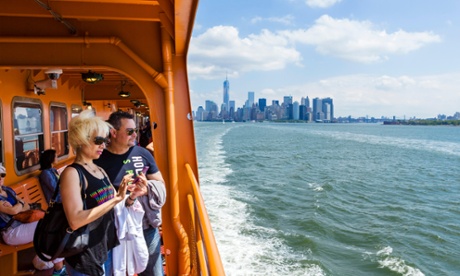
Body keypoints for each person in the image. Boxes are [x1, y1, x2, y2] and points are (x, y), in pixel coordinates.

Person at [59, 109, 136, 276]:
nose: (103, 145)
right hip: (84, 255)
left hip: (104, 249)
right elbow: (75, 220)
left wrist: (131, 196)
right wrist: (116, 199)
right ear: (82, 140)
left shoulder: (99, 169)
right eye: (98, 140)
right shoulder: (72, 174)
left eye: (105, 140)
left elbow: (113, 203)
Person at [95, 111, 166, 276]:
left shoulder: (143, 154)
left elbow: (160, 184)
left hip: (144, 225)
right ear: (113, 133)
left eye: (135, 130)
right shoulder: (98, 159)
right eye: (129, 131)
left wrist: (146, 188)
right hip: (112, 229)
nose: (135, 134)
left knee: (153, 272)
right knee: (115, 271)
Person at [0, 164, 67, 275]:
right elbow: (13, 211)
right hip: (11, 232)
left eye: (2, 175)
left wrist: (17, 205)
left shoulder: (7, 190)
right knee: (49, 229)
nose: (0, 178)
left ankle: (53, 265)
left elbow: (24, 205)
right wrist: (18, 205)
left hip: (22, 224)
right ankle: (57, 268)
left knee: (53, 226)